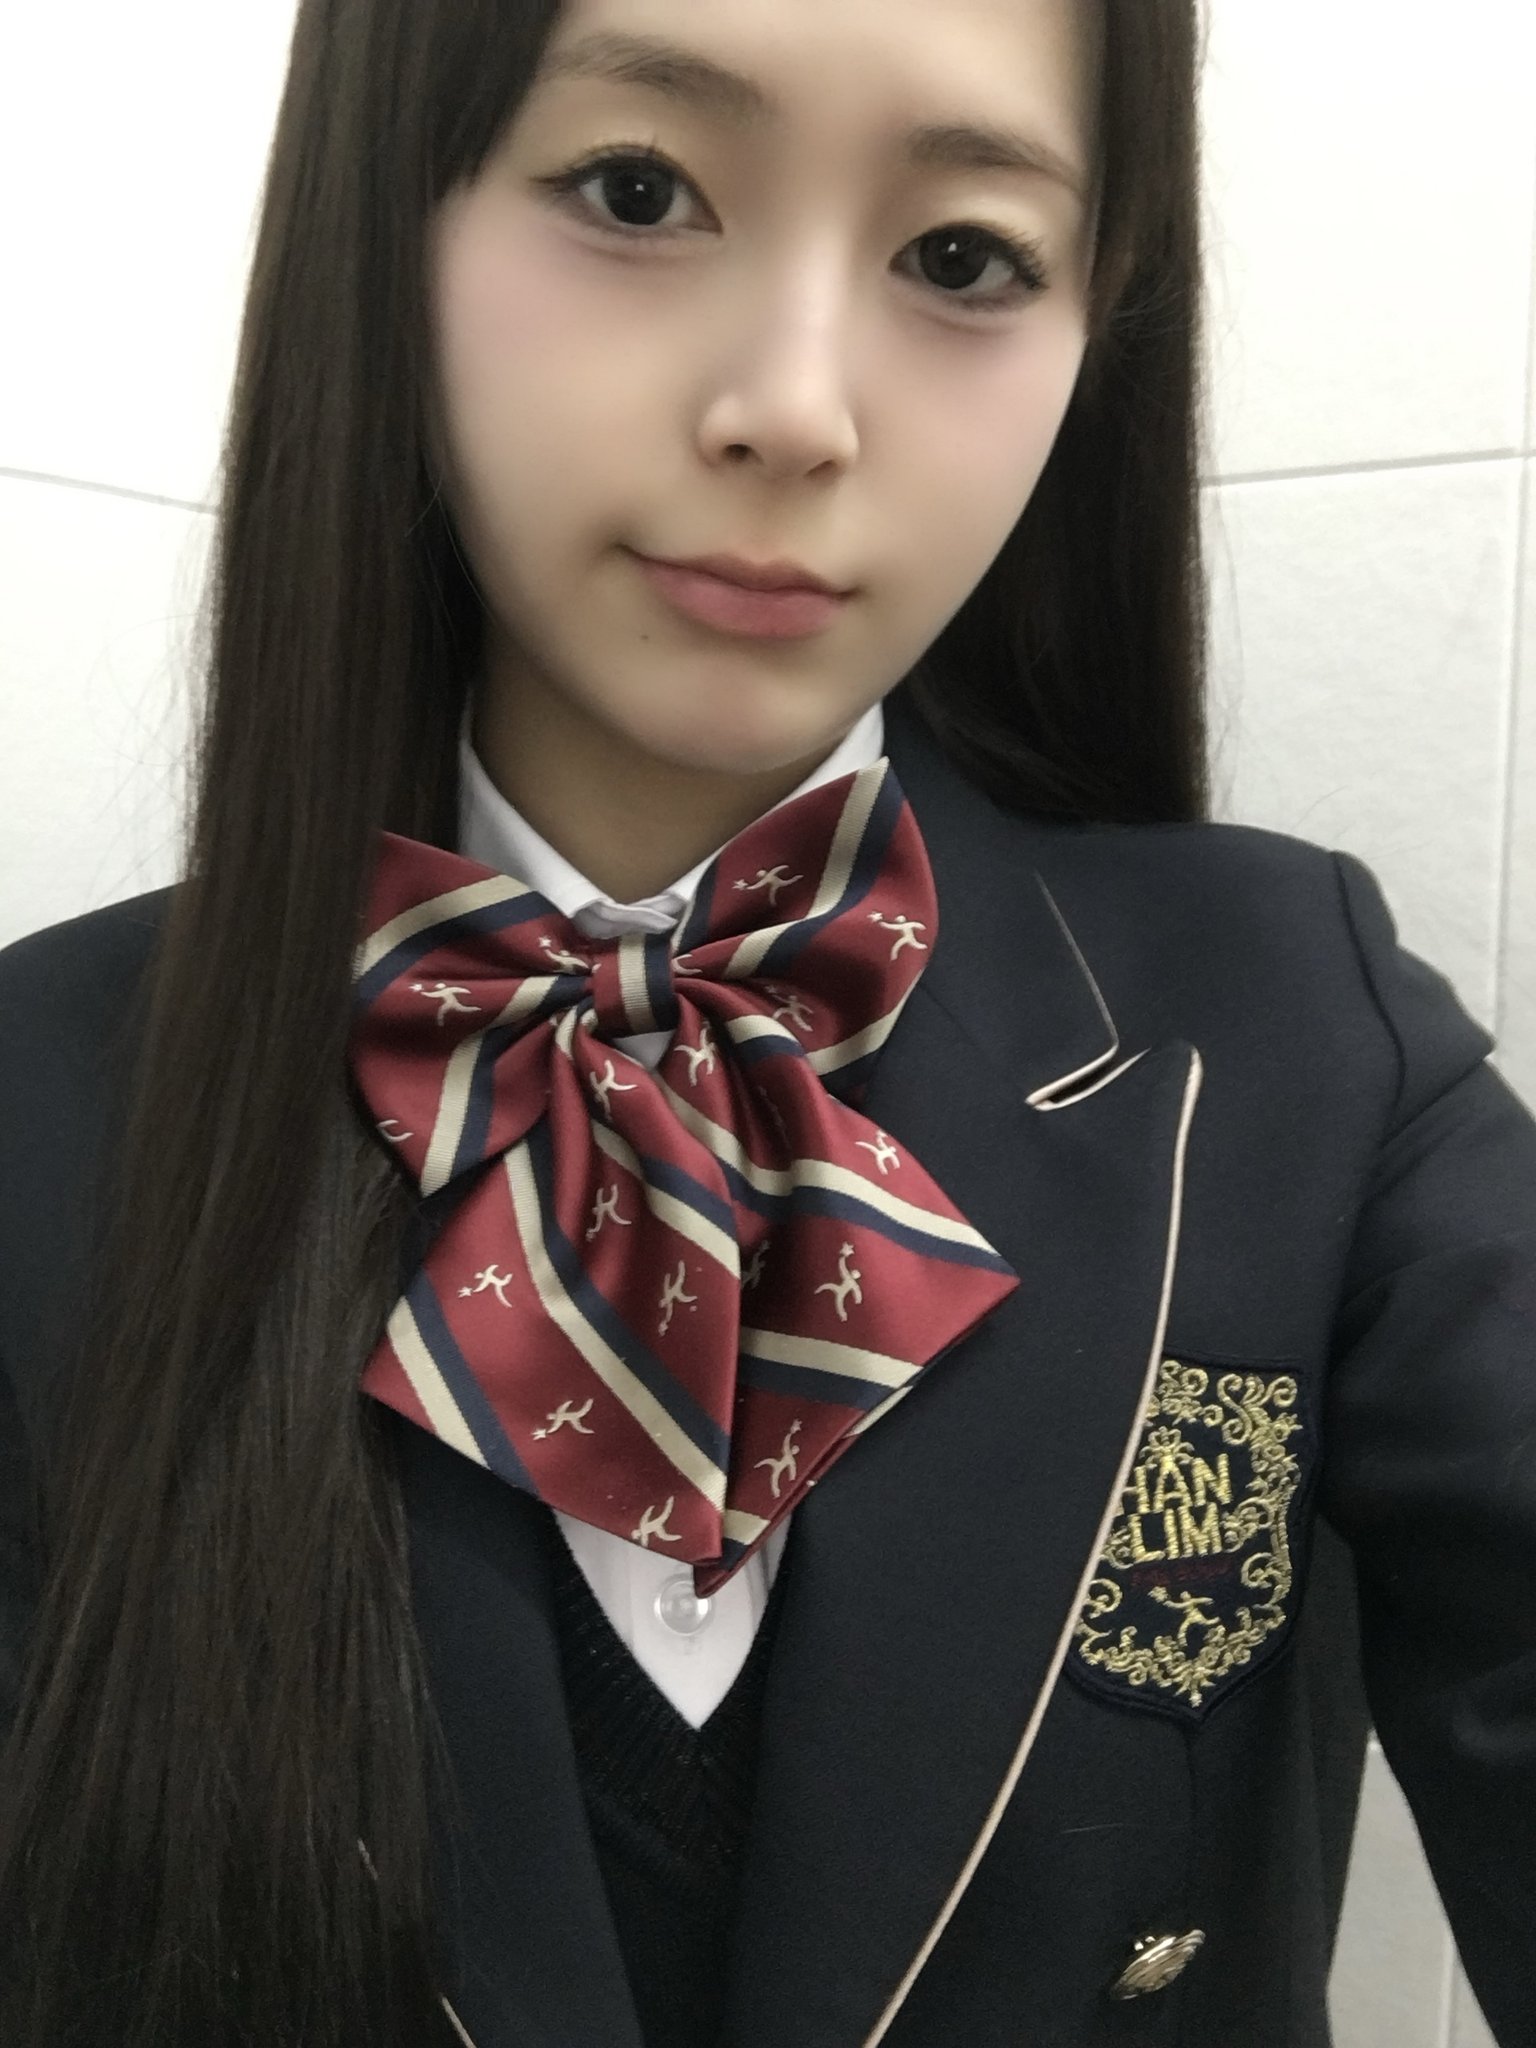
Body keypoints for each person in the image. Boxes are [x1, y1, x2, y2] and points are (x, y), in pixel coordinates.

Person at [0, 0, 1531, 2043]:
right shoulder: (41, 1101)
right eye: (636, 190)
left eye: (964, 254)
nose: (795, 408)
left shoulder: (1293, 1029)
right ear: (389, 223)